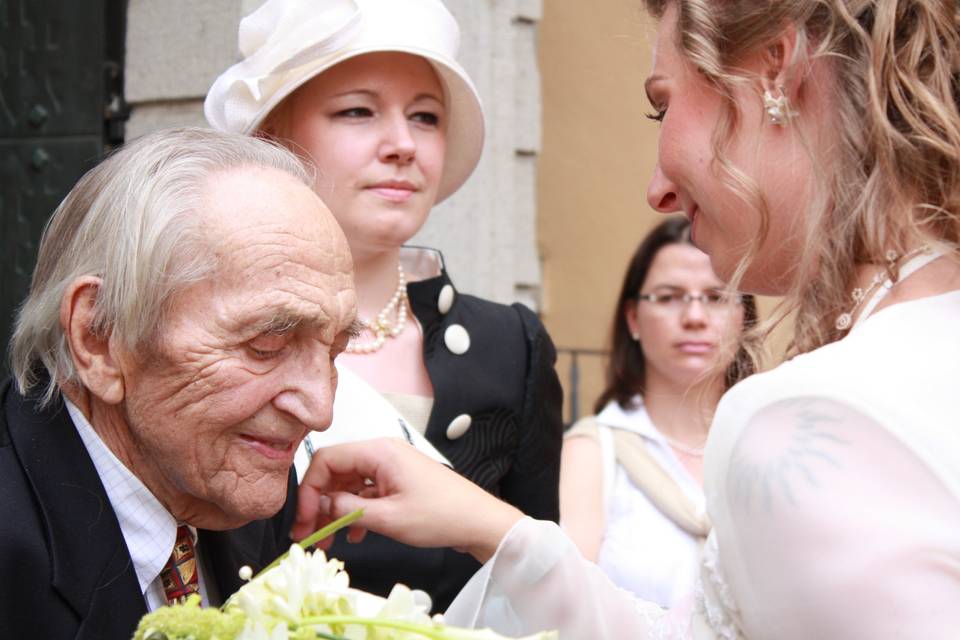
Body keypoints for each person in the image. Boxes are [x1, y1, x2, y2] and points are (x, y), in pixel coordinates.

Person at [294, 0, 960, 638]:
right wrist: (497, 528)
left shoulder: (811, 417)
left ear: (774, 70)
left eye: (661, 106)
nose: (657, 190)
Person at [205, 0, 563, 612]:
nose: (402, 144)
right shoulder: (201, 334)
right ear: (272, 137)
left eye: (425, 117)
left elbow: (546, 596)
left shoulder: (509, 346)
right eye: (357, 111)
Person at [0, 127, 358, 638]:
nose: (320, 409)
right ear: (99, 337)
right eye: (266, 345)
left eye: (335, 351)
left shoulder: (242, 483)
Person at [560, 215, 756, 607]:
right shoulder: (593, 451)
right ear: (633, 318)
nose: (695, 317)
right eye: (668, 297)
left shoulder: (769, 440)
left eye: (716, 297)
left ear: (744, 316)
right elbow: (572, 604)